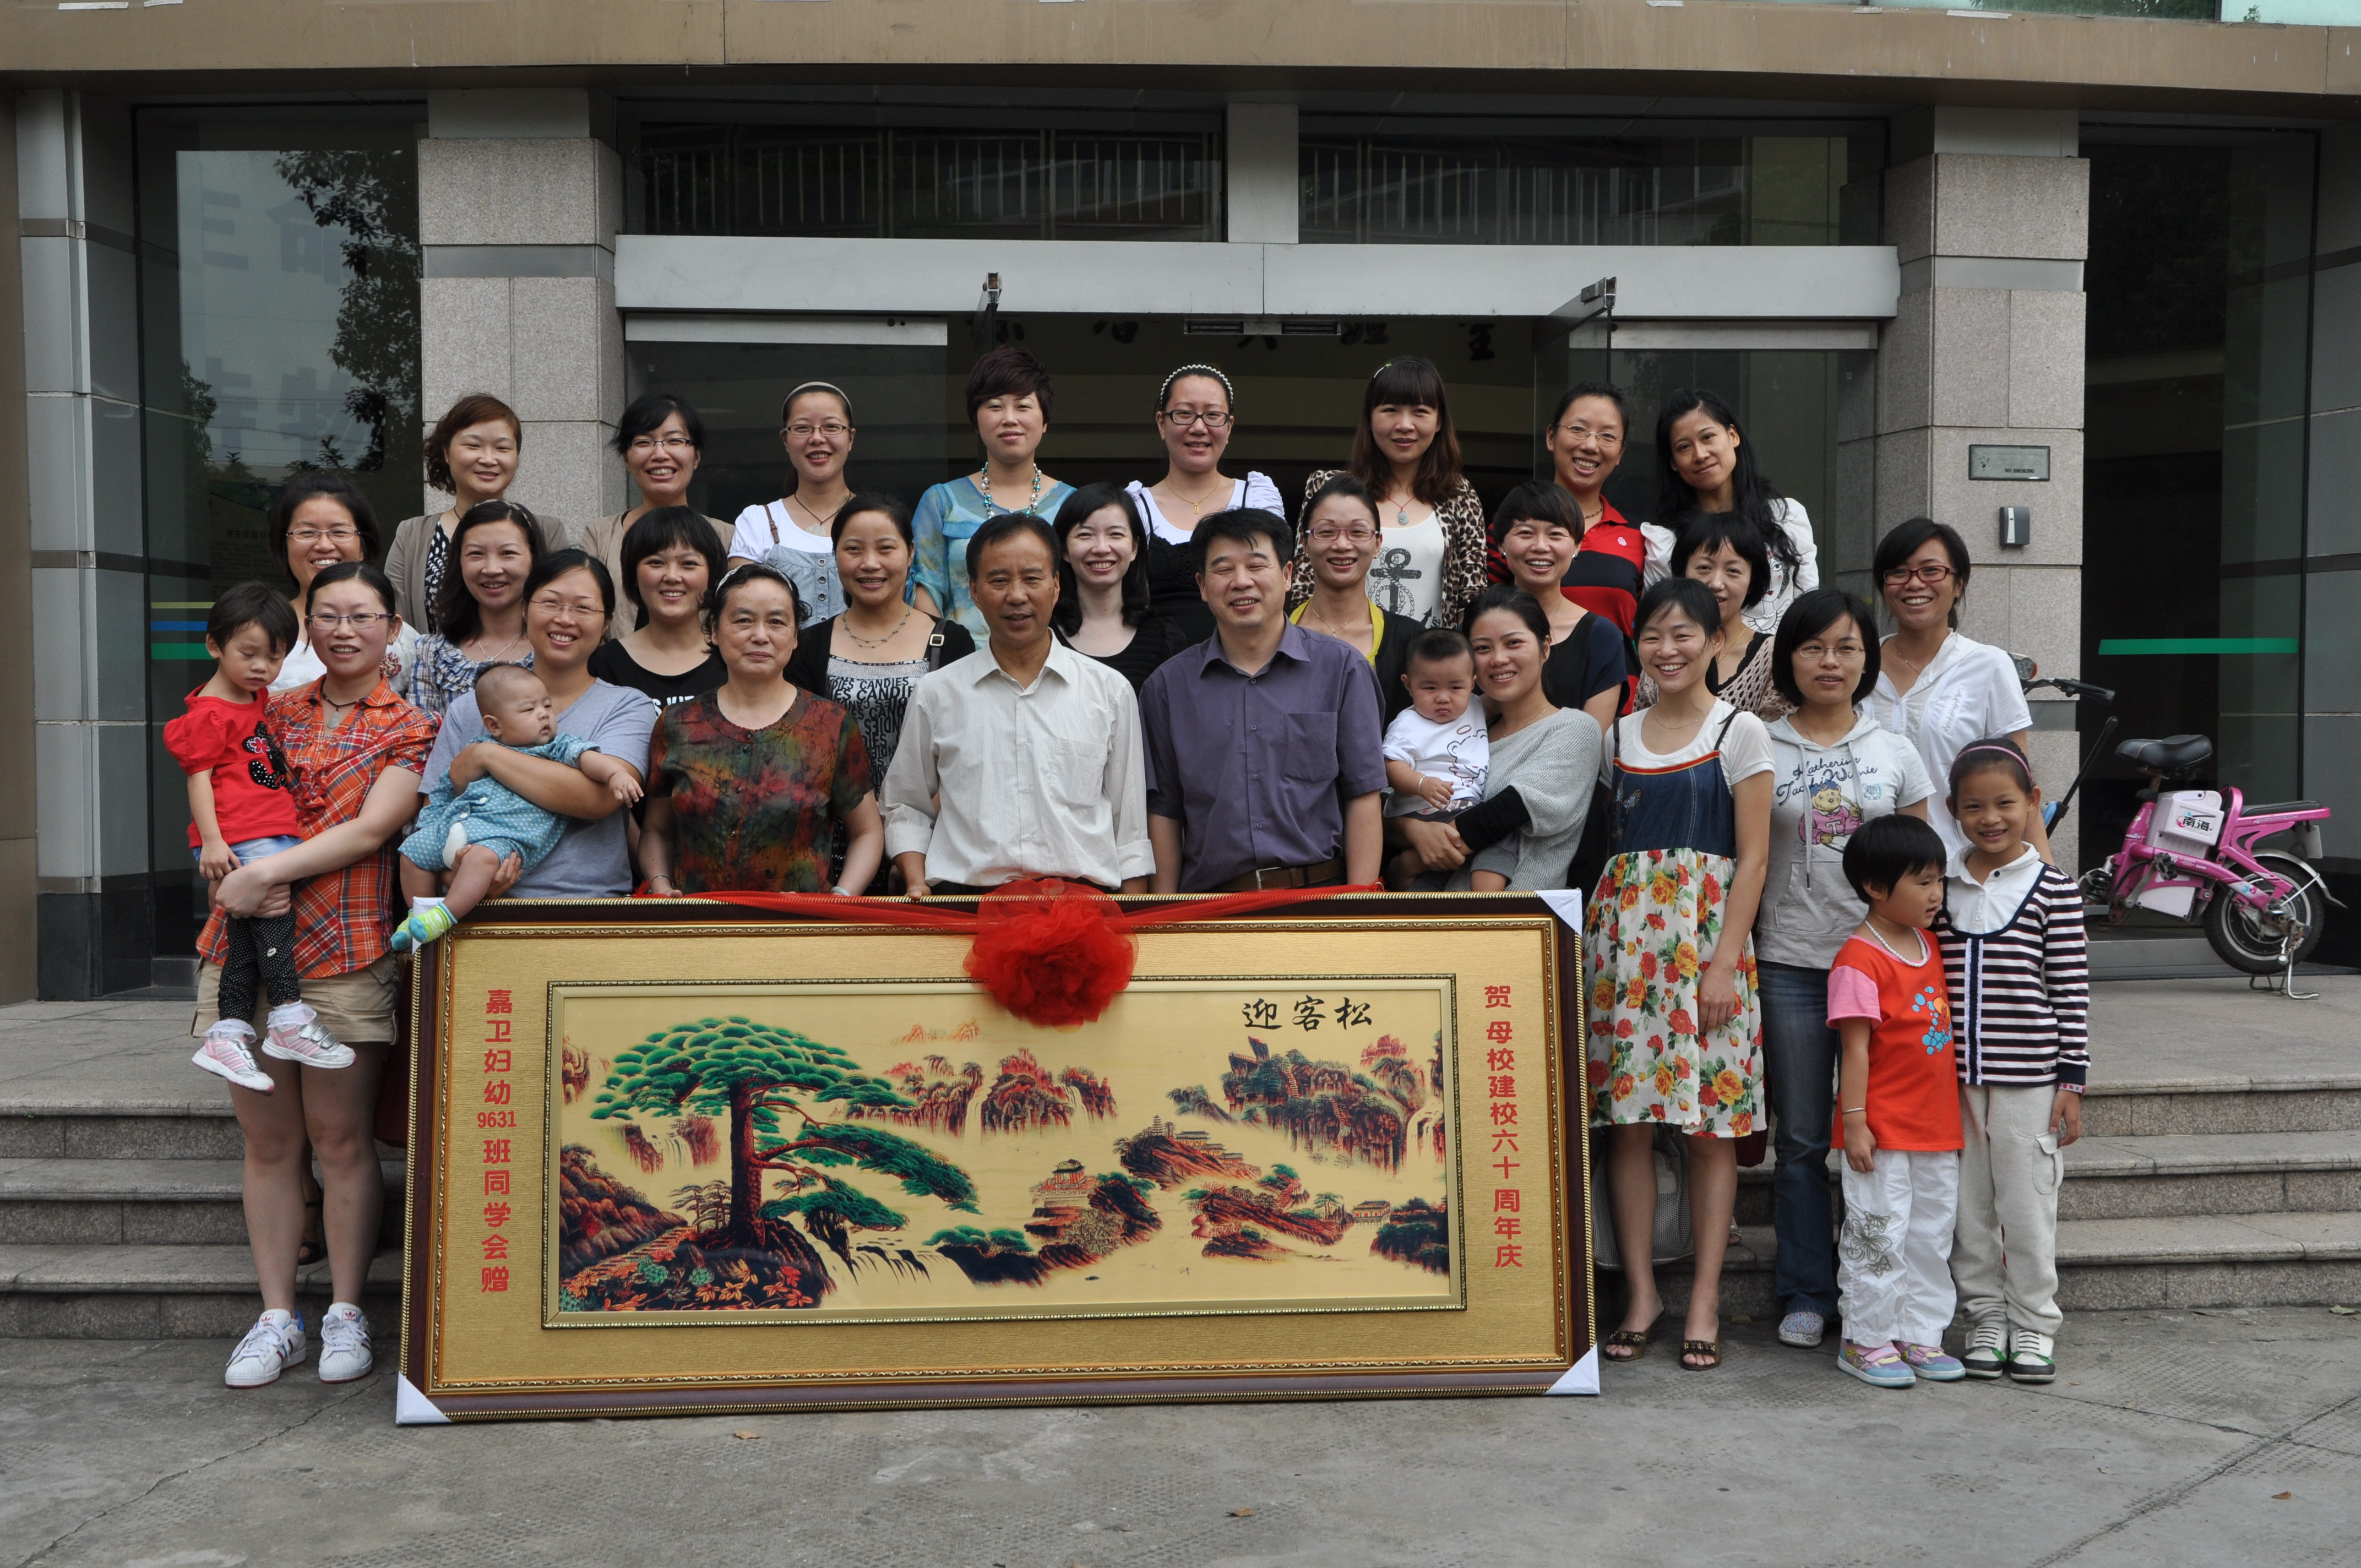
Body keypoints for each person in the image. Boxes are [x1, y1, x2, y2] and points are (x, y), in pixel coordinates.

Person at [199, 560, 446, 1390]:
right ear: (307, 625)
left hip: (344, 945)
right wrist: (220, 857)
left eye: (363, 616)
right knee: (270, 1144)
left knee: (340, 1141)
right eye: (329, 615)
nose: (345, 630)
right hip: (242, 947)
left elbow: (373, 831)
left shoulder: (414, 726)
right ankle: (277, 1318)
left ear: (392, 629)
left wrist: (266, 873)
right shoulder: (266, 710)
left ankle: (345, 1311)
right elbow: (213, 786)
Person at [1588, 578, 1772, 1373]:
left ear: (1715, 641)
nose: (1668, 649)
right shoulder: (1617, 737)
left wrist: (1724, 963)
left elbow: (1754, 858)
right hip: (1626, 952)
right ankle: (1641, 1294)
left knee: (1709, 1129)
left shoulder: (1740, 731)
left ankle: (1703, 1297)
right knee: (1627, 1127)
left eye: (1684, 634)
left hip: (1707, 948)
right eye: (1654, 636)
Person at [1754, 587, 1935, 1353]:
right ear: (1788, 658)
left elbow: (1922, 869)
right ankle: (1807, 1290)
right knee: (1801, 1137)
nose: (1830, 662)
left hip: (1882, 969)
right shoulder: (1757, 743)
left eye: (1847, 648)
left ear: (1867, 658)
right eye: (1813, 647)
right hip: (1792, 962)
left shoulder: (1895, 748)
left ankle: (1885, 1293)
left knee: (1882, 1135)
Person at [884, 514, 1150, 896]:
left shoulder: (1109, 691)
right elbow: (905, 805)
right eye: (998, 581)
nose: (1017, 596)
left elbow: (1131, 829)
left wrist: (1131, 914)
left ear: (1056, 585)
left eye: (1032, 578)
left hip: (1080, 909)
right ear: (974, 591)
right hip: (967, 904)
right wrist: (915, 879)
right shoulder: (937, 693)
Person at [1936, 737, 2090, 1386]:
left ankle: (2033, 1324)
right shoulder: (1940, 886)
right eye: (1973, 806)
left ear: (2032, 803)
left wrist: (2071, 1081)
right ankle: (1984, 1319)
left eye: (2004, 803)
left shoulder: (2053, 889)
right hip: (1953, 1084)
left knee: (2026, 1210)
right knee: (1968, 1211)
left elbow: (2071, 992)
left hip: (2030, 1082)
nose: (1990, 818)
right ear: (1952, 810)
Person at [1141, 508, 1385, 894]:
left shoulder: (1342, 669)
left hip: (1319, 899)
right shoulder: (1167, 688)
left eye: (1257, 566)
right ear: (1202, 585)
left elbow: (1364, 794)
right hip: (1214, 907)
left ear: (1287, 575)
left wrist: (1357, 908)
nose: (1242, 582)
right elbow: (1164, 813)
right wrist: (1165, 916)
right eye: (1224, 570)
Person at [170, 583, 351, 1092]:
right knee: (274, 920)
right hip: (242, 835)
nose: (261, 668)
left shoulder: (254, 699)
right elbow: (198, 779)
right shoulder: (209, 713)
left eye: (274, 657)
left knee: (246, 942)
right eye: (248, 654)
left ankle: (227, 1033)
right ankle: (288, 1015)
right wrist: (212, 842)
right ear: (214, 645)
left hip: (265, 832)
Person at [416, 551, 659, 901]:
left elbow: (599, 798)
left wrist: (487, 756)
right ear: (524, 610)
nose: (565, 619)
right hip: (476, 911)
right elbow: (434, 812)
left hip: (589, 904)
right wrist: (453, 876)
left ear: (606, 623)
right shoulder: (471, 708)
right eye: (551, 603)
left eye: (583, 608)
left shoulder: (627, 706)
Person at [641, 564, 886, 897]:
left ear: (795, 636)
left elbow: (867, 831)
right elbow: (657, 830)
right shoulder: (678, 723)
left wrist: (840, 898)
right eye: (743, 620)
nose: (760, 635)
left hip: (798, 924)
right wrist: (660, 885)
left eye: (776, 622)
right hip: (699, 921)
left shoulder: (831, 724)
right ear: (714, 630)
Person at [1827, 813, 1965, 1389]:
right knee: (1876, 1231)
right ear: (1875, 887)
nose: (1936, 894)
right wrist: (1855, 1122)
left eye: (1939, 880)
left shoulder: (1928, 942)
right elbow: (1854, 1049)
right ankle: (1866, 1338)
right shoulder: (1858, 959)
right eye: (1923, 882)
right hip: (1881, 1129)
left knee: (1931, 1234)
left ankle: (1919, 1333)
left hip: (1935, 1124)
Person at [393, 665, 645, 948]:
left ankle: (443, 917)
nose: (544, 714)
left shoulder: (556, 747)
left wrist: (615, 774)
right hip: (457, 825)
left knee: (481, 860)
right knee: (411, 851)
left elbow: (587, 759)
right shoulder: (475, 747)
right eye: (529, 710)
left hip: (505, 836)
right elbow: (443, 791)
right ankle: (417, 915)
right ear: (494, 726)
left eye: (547, 706)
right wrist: (433, 829)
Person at [781, 494, 976, 861]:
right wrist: (864, 827)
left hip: (933, 841)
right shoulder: (809, 646)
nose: (870, 564)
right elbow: (800, 753)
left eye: (886, 548)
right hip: (834, 845)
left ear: (911, 553)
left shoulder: (951, 641)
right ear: (835, 554)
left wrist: (911, 829)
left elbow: (966, 751)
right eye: (854, 549)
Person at [1862, 516, 2049, 862]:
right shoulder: (1857, 664)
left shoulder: (1988, 665)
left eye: (1931, 571)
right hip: (1864, 868)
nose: (1914, 583)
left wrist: (2047, 875)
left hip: (1960, 871)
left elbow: (2017, 782)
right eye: (1899, 573)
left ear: (1959, 584)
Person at [1394, 589, 1603, 894]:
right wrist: (1411, 829)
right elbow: (1392, 805)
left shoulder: (1573, 730)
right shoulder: (1456, 726)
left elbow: (1504, 814)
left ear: (1545, 647)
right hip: (1435, 915)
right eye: (1482, 648)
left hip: (1516, 916)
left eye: (1513, 643)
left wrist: (1408, 864)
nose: (1499, 659)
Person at [1296, 357, 1485, 630]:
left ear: (1439, 421)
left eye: (1420, 411)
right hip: (1341, 649)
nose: (1405, 425)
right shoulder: (1328, 487)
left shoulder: (1458, 495)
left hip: (1430, 654)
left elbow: (1472, 597)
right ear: (1370, 418)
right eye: (1390, 410)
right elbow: (1303, 585)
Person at [913, 349, 1076, 640]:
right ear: (976, 422)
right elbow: (924, 594)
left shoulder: (1073, 505)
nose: (1009, 419)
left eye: (1023, 406)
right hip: (960, 660)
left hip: (1053, 657)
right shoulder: (941, 502)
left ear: (1045, 421)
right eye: (995, 406)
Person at [1125, 363, 1283, 643]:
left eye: (1213, 415)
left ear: (1229, 426)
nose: (1199, 428)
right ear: (1162, 423)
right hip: (1157, 659)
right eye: (1184, 414)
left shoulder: (1257, 497)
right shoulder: (1135, 507)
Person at [384, 393, 567, 633]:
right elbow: (394, 625)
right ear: (447, 452)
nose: (489, 459)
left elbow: (564, 609)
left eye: (502, 448)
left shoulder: (546, 532)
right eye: (473, 446)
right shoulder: (412, 535)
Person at [1641, 389, 1816, 636]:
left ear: (1733, 436)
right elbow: (1660, 627)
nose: (1700, 454)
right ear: (1673, 462)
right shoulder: (1665, 541)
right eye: (1684, 447)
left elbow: (1810, 605)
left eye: (1708, 437)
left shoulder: (1786, 517)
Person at [576, 391, 731, 632]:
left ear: (696, 456)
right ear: (626, 459)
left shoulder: (727, 536)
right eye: (643, 442)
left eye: (675, 441)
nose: (659, 454)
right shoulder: (601, 535)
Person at [1287, 474, 1426, 726]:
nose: (1342, 544)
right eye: (1326, 532)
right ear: (1305, 543)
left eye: (1357, 532)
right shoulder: (1275, 634)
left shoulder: (1411, 640)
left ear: (1377, 544)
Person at [727, 382, 869, 627]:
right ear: (785, 439)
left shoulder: (876, 519)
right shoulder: (758, 522)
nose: (817, 438)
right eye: (802, 428)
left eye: (831, 427)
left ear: (851, 437)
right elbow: (741, 613)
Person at [264, 474, 420, 697]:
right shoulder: (261, 627)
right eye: (307, 532)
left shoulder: (403, 639)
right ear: (284, 546)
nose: (324, 545)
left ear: (363, 545)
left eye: (339, 532)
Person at [1489, 482, 1627, 733]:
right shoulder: (1476, 630)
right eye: (1525, 533)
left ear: (1577, 545)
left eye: (1555, 534)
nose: (1541, 546)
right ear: (1501, 544)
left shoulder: (1602, 637)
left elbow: (1592, 741)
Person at [1380, 628, 1504, 892]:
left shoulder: (1475, 706)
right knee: (1492, 831)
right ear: (1408, 685)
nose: (1443, 698)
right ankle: (1486, 898)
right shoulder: (1408, 724)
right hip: (1423, 811)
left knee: (1493, 839)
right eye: (1430, 688)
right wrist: (1420, 783)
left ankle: (1481, 895)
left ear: (1472, 683)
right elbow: (1390, 765)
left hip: (1465, 806)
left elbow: (1508, 699)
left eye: (1456, 687)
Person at [1645, 514, 1792, 722]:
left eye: (1733, 571)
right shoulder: (1661, 652)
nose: (1716, 583)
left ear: (1752, 581)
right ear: (1682, 573)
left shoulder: (1773, 657)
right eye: (1704, 568)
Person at [408, 500, 545, 717]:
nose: (491, 569)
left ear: (533, 558)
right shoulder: (432, 653)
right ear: (459, 562)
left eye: (507, 553)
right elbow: (422, 734)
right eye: (476, 554)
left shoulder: (553, 649)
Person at [587, 506, 729, 710]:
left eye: (688, 564)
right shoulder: (603, 665)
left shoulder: (732, 658)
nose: (672, 576)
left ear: (712, 574)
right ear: (633, 574)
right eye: (656, 562)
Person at [1051, 483, 1183, 693]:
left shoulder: (1165, 637)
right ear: (1064, 550)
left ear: (1134, 548)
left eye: (1115, 535)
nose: (1102, 548)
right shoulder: (1043, 634)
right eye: (1085, 535)